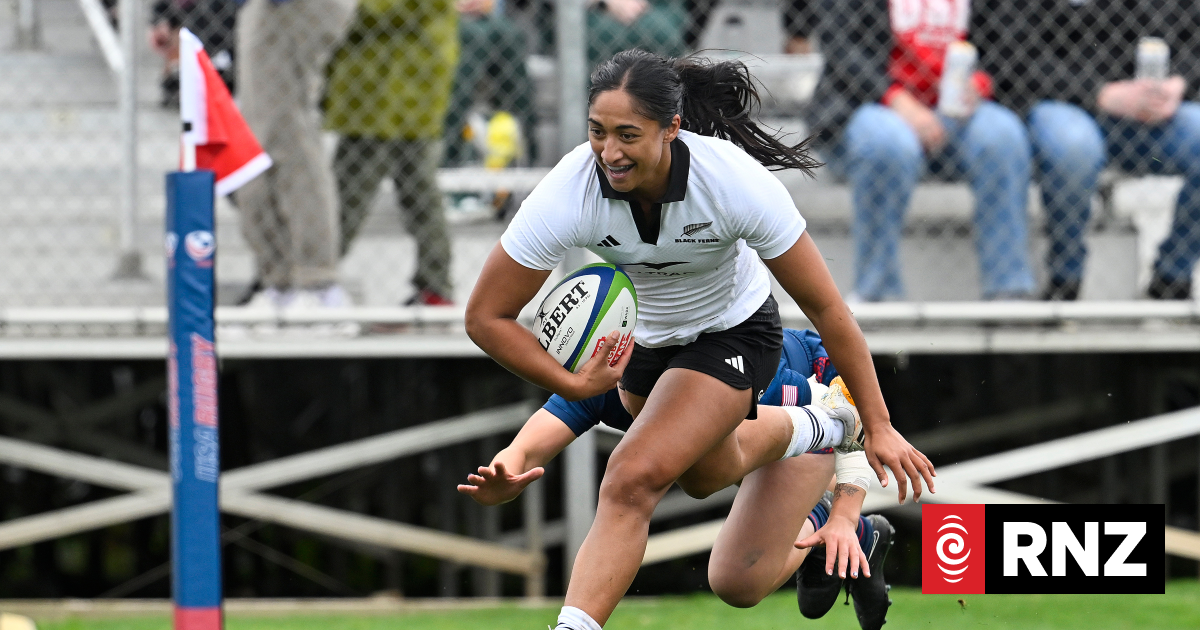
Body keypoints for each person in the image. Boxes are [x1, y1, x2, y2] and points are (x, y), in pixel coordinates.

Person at [464, 49, 933, 630]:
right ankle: (826, 423)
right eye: (597, 132)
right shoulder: (571, 191)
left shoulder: (731, 182)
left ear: (672, 129)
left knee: (631, 477)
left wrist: (881, 426)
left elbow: (825, 308)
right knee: (717, 508)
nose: (609, 152)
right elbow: (487, 317)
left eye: (628, 135)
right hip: (649, 349)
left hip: (735, 332)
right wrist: (563, 390)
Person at [459, 328, 896, 629]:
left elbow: (849, 418)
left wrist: (843, 511)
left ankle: (838, 524)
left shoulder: (760, 381)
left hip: (813, 413)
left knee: (737, 577)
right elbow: (526, 448)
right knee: (736, 584)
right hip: (741, 432)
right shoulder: (608, 382)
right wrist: (503, 475)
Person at [804, 0, 1035, 301]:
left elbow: (1011, 41)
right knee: (888, 143)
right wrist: (896, 100)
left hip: (957, 111)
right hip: (875, 104)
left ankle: (1009, 291)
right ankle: (879, 295)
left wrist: (978, 84)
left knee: (1003, 135)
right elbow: (840, 47)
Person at [972, 0, 1200, 300]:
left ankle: (1172, 277)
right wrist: (1099, 93)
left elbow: (1190, 35)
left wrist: (1176, 84)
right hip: (1058, 103)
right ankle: (1066, 280)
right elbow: (1008, 55)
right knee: (1075, 146)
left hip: (1141, 118)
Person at [325, 0, 458, 305]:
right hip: (393, 87)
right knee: (417, 190)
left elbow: (381, 11)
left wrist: (336, 9)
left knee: (347, 192)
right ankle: (436, 286)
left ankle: (316, 278)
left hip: (391, 89)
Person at [235, 0, 353, 308]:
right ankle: (283, 284)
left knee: (287, 137)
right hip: (274, 9)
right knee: (265, 137)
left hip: (290, 7)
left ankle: (316, 284)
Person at [443, 0, 539, 167]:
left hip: (490, 17)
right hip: (446, 18)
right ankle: (450, 158)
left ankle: (528, 151)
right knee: (473, 36)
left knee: (509, 35)